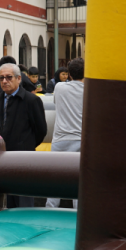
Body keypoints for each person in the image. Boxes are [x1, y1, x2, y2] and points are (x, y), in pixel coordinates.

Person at [0, 62, 47, 208]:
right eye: (1, 78)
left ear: (19, 79)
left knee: (24, 201)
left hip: (24, 159)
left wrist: (26, 144)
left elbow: (41, 130)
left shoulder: (31, 100)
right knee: (8, 201)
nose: (4, 81)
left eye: (9, 77)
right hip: (2, 159)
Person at [45, 58, 85, 209]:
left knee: (55, 177)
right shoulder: (90, 90)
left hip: (61, 139)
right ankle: (77, 212)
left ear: (69, 74)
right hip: (81, 139)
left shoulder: (60, 87)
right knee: (79, 178)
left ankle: (51, 209)